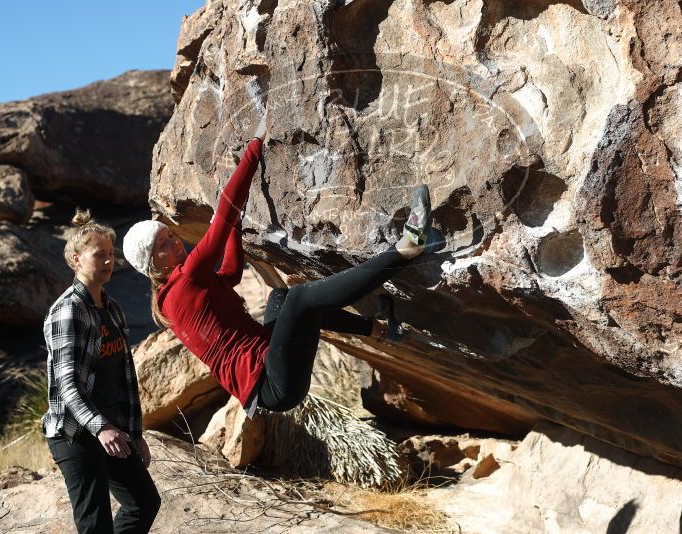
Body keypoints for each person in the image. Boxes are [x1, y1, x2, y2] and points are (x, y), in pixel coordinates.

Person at [123, 111, 433, 415]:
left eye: (170, 235)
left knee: (281, 298)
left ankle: (379, 330)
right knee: (300, 300)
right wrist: (255, 145)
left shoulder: (177, 293)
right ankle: (406, 249)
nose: (175, 242)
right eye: (162, 245)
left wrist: (235, 223)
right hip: (271, 384)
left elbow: (230, 272)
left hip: (270, 366)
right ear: (152, 266)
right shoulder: (185, 280)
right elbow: (224, 213)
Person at [42, 209, 160, 534]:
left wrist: (134, 433)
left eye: (111, 254)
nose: (108, 261)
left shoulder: (113, 308)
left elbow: (125, 376)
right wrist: (102, 428)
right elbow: (68, 385)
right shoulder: (69, 311)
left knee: (143, 502)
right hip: (76, 434)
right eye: (99, 255)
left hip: (112, 431)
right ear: (77, 260)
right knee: (95, 526)